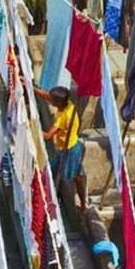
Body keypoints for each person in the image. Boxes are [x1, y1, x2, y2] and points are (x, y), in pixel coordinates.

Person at [38, 84, 86, 213]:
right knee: (49, 171)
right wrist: (30, 86)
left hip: (70, 150)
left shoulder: (64, 118)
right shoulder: (68, 103)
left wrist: (33, 128)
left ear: (57, 103)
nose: (50, 101)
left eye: (52, 101)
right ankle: (45, 197)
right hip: (63, 148)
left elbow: (48, 136)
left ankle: (82, 203)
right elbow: (47, 96)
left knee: (74, 177)